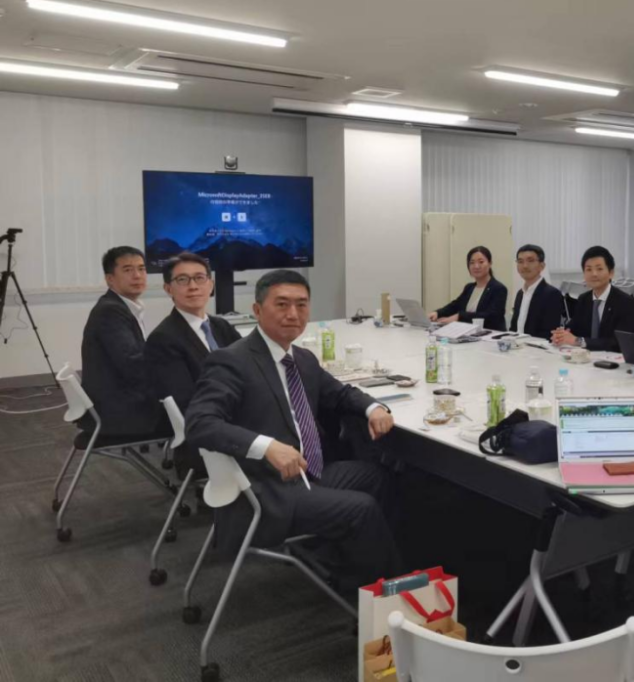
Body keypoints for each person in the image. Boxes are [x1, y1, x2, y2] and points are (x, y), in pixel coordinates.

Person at [185, 269, 401, 586]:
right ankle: (388, 594)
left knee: (380, 477)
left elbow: (340, 393)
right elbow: (199, 423)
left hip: (306, 473)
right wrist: (266, 446)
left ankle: (346, 566)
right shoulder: (232, 361)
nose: (293, 314)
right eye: (282, 304)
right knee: (362, 508)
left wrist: (374, 408)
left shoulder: (302, 358)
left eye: (301, 305)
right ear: (257, 310)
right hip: (265, 488)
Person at [80, 246, 166, 437]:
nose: (137, 276)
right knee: (192, 412)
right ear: (110, 279)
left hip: (118, 400)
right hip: (119, 411)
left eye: (142, 269)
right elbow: (133, 365)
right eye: (128, 270)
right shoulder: (110, 311)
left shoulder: (119, 306)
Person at [145, 252, 242, 413]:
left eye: (199, 278)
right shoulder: (162, 339)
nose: (193, 286)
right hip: (208, 418)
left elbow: (247, 369)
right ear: (168, 289)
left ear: (211, 285)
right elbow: (186, 400)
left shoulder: (222, 326)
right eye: (182, 280)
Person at [551, 245, 634, 352]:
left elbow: (619, 342)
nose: (594, 274)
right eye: (589, 269)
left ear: (611, 273)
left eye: (599, 269)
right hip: (585, 357)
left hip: (611, 358)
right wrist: (561, 335)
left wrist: (579, 341)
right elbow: (573, 328)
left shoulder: (625, 302)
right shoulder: (583, 299)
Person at [430, 245, 508, 331]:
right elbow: (455, 305)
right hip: (468, 333)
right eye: (472, 263)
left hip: (490, 335)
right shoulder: (469, 287)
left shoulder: (498, 288)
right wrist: (437, 313)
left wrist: (459, 316)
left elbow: (492, 317)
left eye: (481, 262)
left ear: (490, 263)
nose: (476, 266)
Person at [508, 244, 564, 338]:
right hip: (516, 344)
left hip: (536, 346)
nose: (525, 266)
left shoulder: (552, 294)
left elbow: (549, 333)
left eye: (530, 261)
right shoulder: (520, 293)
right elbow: (514, 328)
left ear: (542, 266)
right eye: (520, 261)